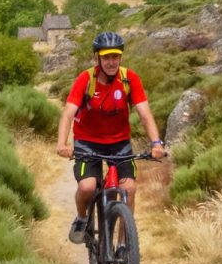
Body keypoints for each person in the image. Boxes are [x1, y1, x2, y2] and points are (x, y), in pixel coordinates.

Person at [55, 31, 164, 243]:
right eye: (106, 57)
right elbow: (68, 113)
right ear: (97, 58)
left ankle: (124, 243)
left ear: (120, 57)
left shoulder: (129, 78)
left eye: (115, 56)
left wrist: (156, 143)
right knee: (87, 186)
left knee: (129, 188)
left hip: (119, 143)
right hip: (88, 143)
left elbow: (144, 114)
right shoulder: (86, 79)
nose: (111, 62)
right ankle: (82, 217)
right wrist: (62, 143)